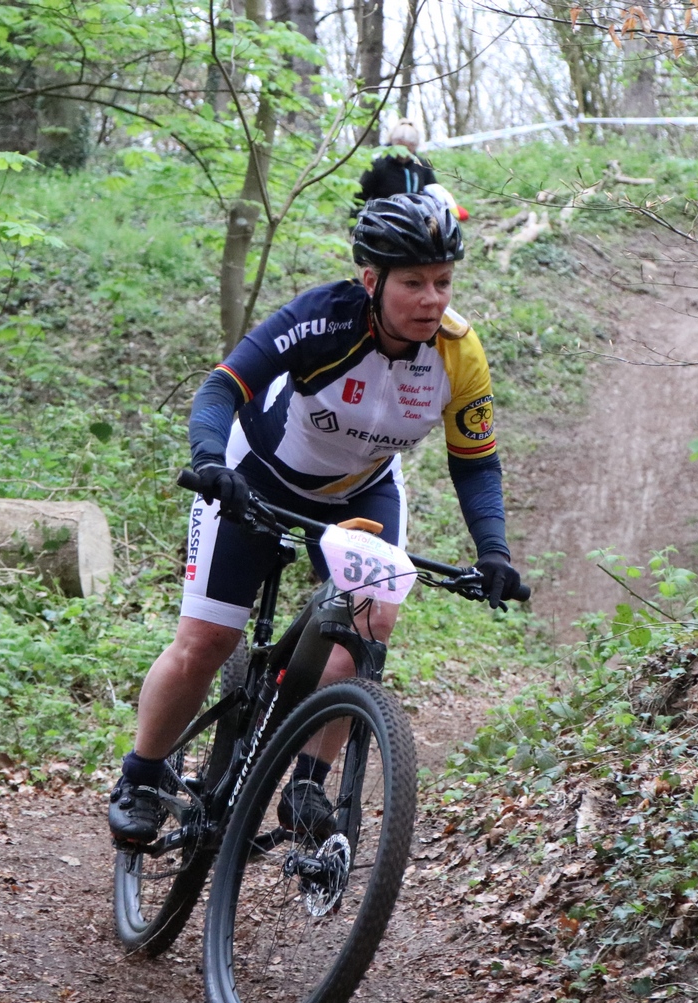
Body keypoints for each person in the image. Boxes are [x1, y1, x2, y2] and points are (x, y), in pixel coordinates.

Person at [109, 192, 524, 846]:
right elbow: (221, 388)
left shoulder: (458, 354)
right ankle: (141, 775)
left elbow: (475, 463)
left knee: (367, 628)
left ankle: (306, 784)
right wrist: (210, 461)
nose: (431, 300)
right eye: (413, 283)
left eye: (443, 282)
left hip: (363, 494)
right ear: (371, 280)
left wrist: (493, 550)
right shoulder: (322, 320)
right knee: (207, 640)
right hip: (255, 475)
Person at [356, 121, 437, 204]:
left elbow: (434, 194)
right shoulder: (378, 166)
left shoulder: (422, 166)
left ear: (414, 146)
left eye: (408, 150)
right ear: (393, 144)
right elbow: (360, 196)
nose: (403, 154)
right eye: (400, 149)